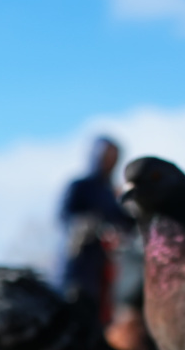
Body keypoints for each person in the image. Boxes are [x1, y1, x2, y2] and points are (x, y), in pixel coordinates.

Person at [57, 136, 133, 324]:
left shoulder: (112, 194)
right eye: (106, 156)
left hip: (106, 269)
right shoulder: (80, 187)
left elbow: (125, 222)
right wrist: (92, 225)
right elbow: (65, 217)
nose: (110, 162)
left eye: (114, 157)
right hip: (79, 264)